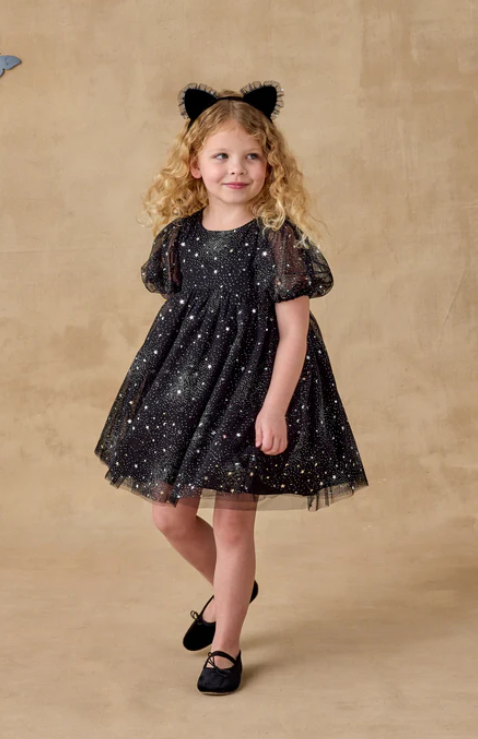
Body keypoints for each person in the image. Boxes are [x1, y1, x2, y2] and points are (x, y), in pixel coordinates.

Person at [94, 80, 369, 694]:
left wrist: (275, 409)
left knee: (234, 526)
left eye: (251, 156)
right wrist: (162, 395)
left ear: (270, 165)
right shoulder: (179, 238)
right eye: (220, 155)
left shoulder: (277, 239)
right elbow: (183, 327)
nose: (236, 168)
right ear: (195, 165)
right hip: (189, 394)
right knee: (169, 516)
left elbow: (295, 334)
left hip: (253, 394)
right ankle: (233, 588)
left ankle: (226, 647)